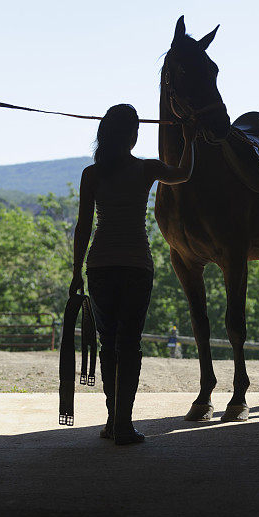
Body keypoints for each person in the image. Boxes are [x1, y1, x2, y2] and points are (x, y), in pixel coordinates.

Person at [70, 104, 195, 445]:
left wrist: (76, 271)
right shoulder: (147, 169)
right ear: (133, 135)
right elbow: (184, 173)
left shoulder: (91, 174)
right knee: (129, 344)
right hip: (137, 265)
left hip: (99, 266)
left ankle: (114, 421)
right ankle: (122, 423)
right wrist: (189, 138)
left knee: (107, 344)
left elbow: (83, 226)